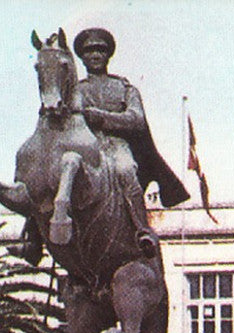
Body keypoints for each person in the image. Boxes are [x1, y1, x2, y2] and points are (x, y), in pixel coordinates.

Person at [72, 28, 191, 210]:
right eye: (89, 51)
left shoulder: (126, 89)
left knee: (126, 170)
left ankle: (141, 227)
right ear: (82, 57)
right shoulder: (73, 91)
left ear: (108, 55)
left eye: (100, 50)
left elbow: (137, 120)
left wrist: (101, 117)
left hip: (116, 147)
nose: (95, 55)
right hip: (84, 149)